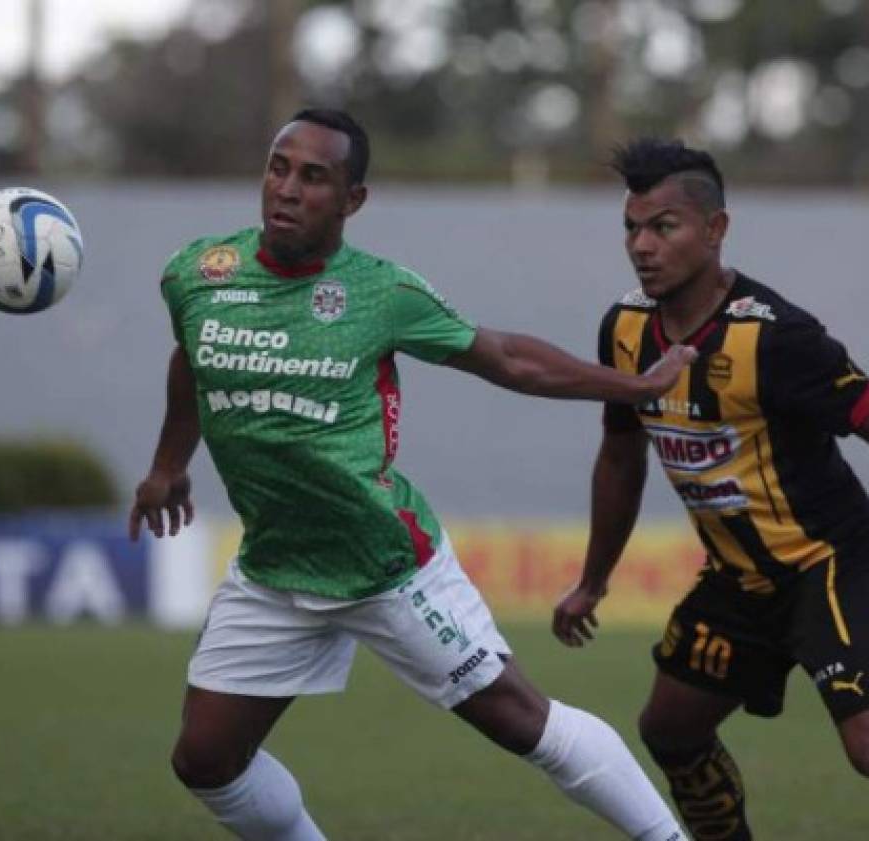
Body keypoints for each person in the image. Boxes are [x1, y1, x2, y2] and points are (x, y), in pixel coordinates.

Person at [129, 108, 693, 841]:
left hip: (387, 564)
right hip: (274, 568)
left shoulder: (381, 292)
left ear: (352, 200)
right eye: (278, 167)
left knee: (524, 721)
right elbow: (192, 359)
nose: (288, 189)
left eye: (314, 176)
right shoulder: (200, 275)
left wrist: (637, 387)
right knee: (206, 758)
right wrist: (169, 464)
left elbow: (507, 358)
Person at [552, 138, 869, 841]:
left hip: (832, 565)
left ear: (715, 230)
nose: (642, 245)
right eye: (631, 228)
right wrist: (594, 579)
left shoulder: (778, 337)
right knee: (669, 728)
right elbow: (621, 455)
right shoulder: (623, 329)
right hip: (739, 582)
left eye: (663, 226)